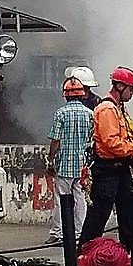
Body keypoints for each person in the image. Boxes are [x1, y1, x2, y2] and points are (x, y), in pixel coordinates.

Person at [78, 66, 133, 252]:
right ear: (119, 86)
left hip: (121, 169)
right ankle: (84, 254)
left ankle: (129, 257)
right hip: (107, 170)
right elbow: (112, 143)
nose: (132, 93)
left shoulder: (119, 109)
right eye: (130, 88)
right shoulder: (107, 109)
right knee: (98, 215)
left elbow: (127, 136)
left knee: (128, 216)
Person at [44, 73, 96, 246]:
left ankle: (58, 233)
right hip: (82, 166)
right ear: (82, 94)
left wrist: (50, 160)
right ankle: (79, 233)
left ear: (65, 95)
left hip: (64, 165)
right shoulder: (89, 114)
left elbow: (55, 140)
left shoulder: (60, 114)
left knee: (61, 199)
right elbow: (91, 139)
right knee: (80, 198)